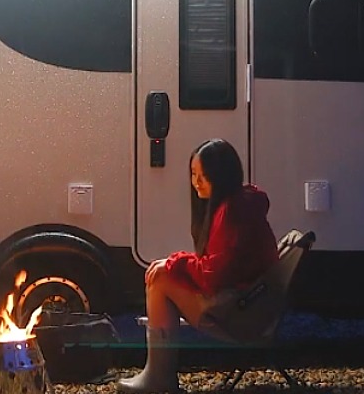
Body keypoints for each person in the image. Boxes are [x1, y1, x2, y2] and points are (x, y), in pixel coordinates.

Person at [117, 139, 279, 394]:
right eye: (194, 174)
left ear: (222, 176)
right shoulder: (243, 203)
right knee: (164, 272)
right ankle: (158, 373)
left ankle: (158, 377)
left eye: (204, 176)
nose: (197, 182)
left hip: (241, 313)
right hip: (252, 303)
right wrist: (177, 263)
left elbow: (213, 277)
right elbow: (218, 268)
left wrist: (175, 262)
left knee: (159, 279)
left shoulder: (231, 212)